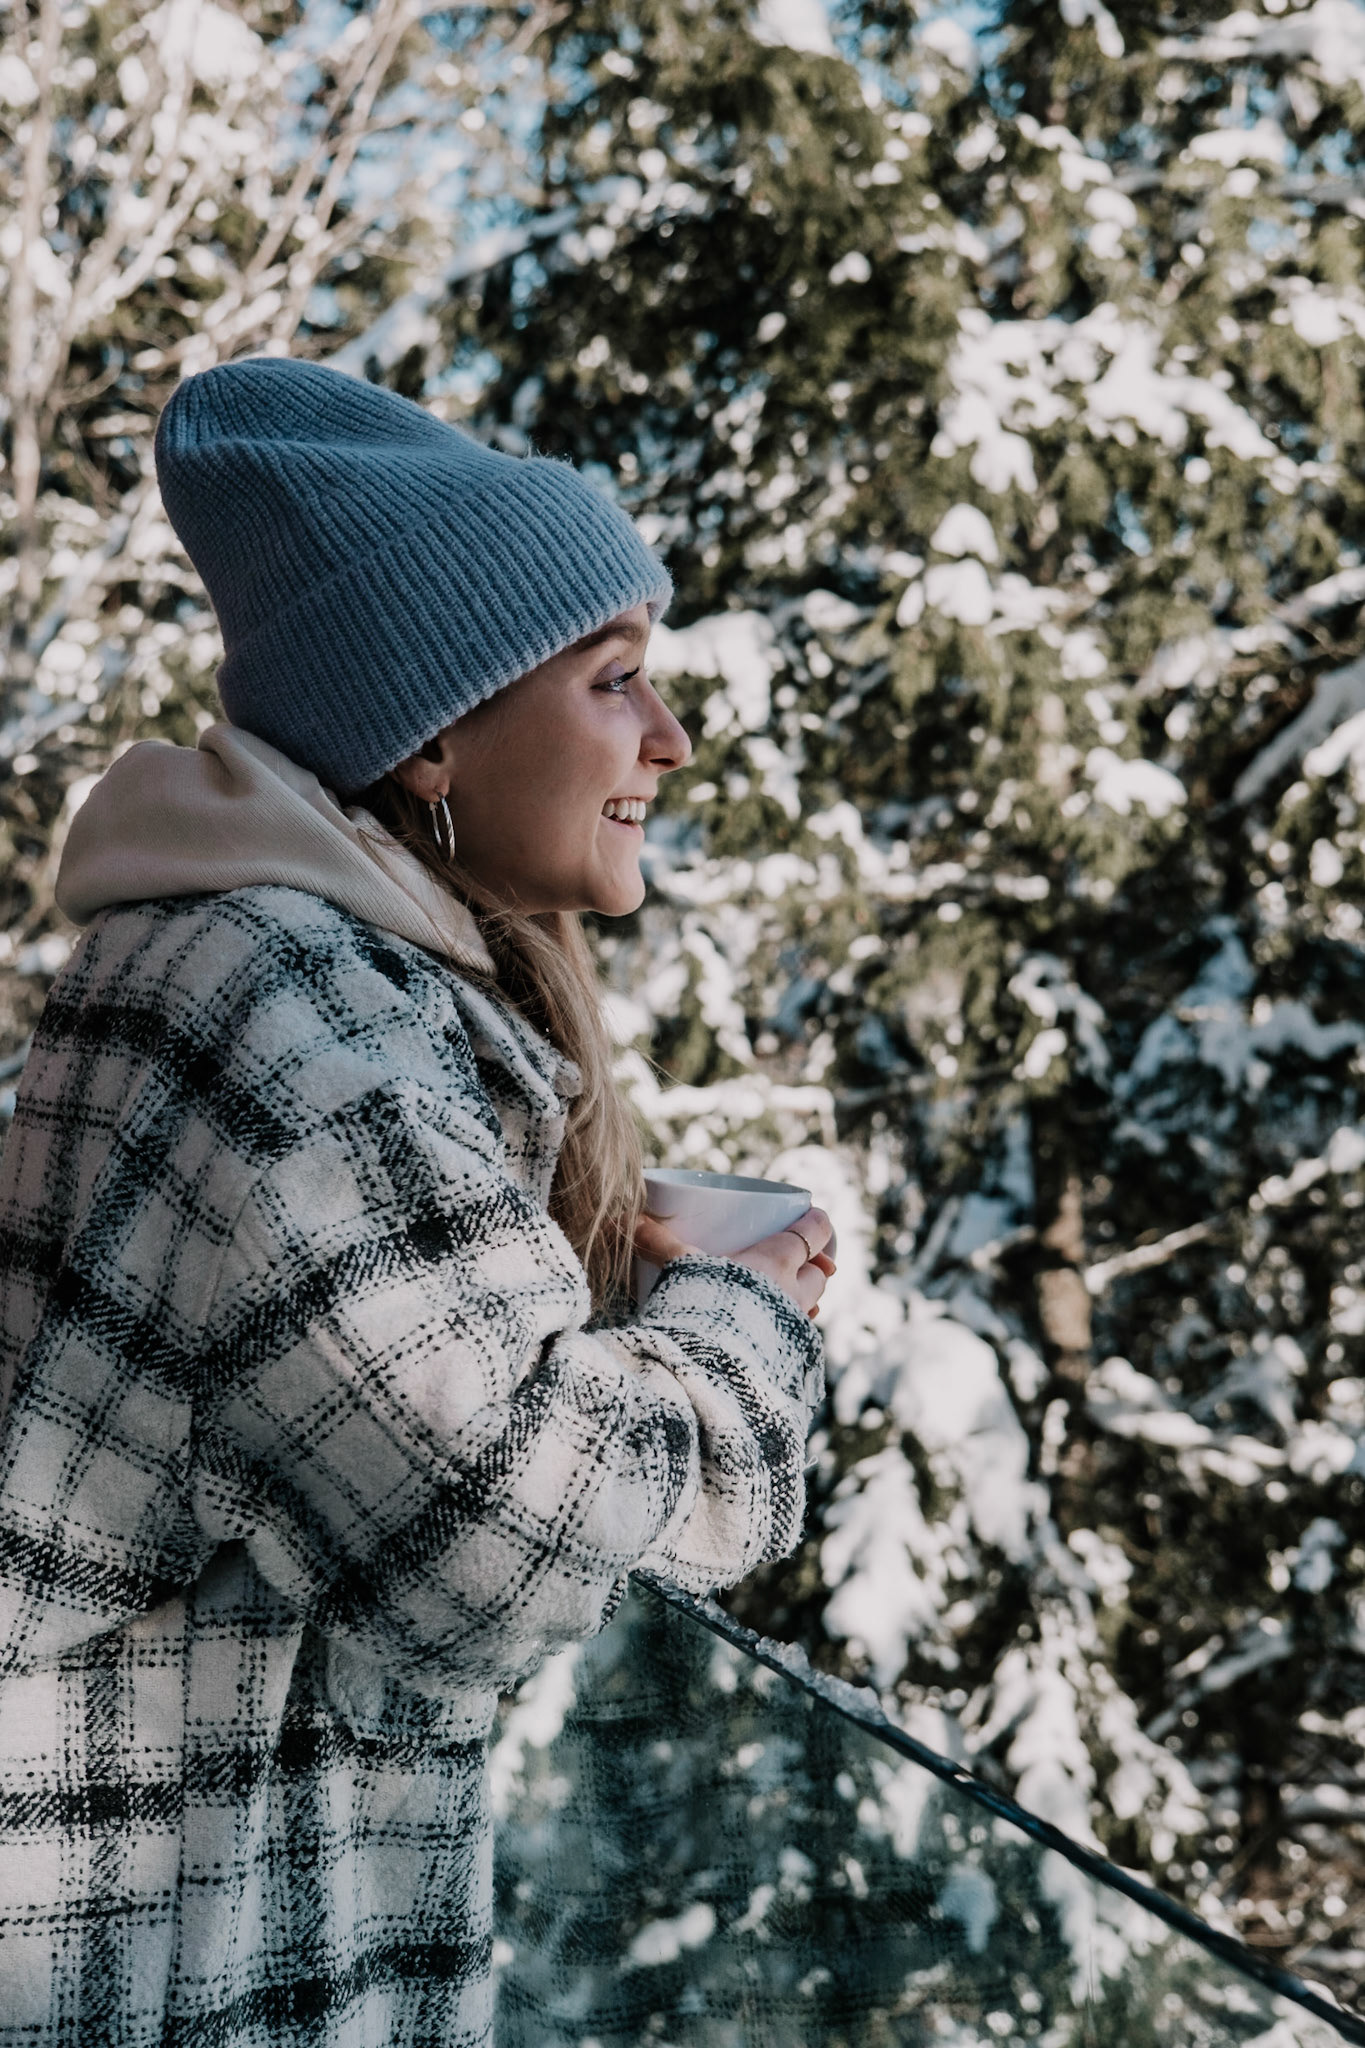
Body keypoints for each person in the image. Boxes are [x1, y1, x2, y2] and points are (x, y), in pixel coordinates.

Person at [0, 358, 833, 2046]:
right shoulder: (289, 1011)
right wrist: (745, 1317)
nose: (670, 739)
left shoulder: (284, 971)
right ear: (433, 733)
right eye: (614, 679)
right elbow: (509, 1546)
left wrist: (594, 1270)